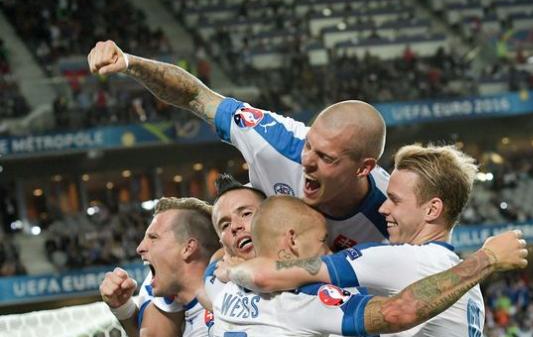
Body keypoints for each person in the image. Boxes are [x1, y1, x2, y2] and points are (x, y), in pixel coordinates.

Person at [217, 144, 526, 337]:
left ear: (432, 210)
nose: (382, 209)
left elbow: (268, 276)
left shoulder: (402, 260)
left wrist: (235, 269)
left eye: (394, 200)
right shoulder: (454, 275)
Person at [87, 40, 389, 250]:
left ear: (364, 168)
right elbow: (196, 96)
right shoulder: (277, 141)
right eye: (310, 145)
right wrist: (129, 62)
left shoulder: (392, 210)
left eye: (326, 158)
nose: (307, 161)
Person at [206, 174, 375, 337]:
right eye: (224, 224)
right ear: (222, 241)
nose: (236, 226)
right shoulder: (220, 285)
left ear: (272, 217)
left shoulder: (334, 281)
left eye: (245, 213)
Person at [99, 197, 225, 337]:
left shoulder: (235, 302)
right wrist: (124, 310)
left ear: (188, 248)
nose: (140, 247)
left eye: (153, 237)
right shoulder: (187, 316)